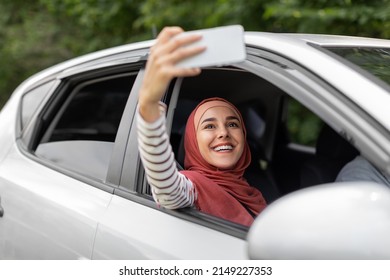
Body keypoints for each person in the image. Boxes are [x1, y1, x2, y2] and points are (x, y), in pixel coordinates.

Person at [137, 27, 267, 226]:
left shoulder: (252, 191)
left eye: (232, 124)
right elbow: (166, 189)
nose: (223, 133)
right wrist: (148, 106)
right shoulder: (193, 187)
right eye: (209, 126)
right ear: (193, 141)